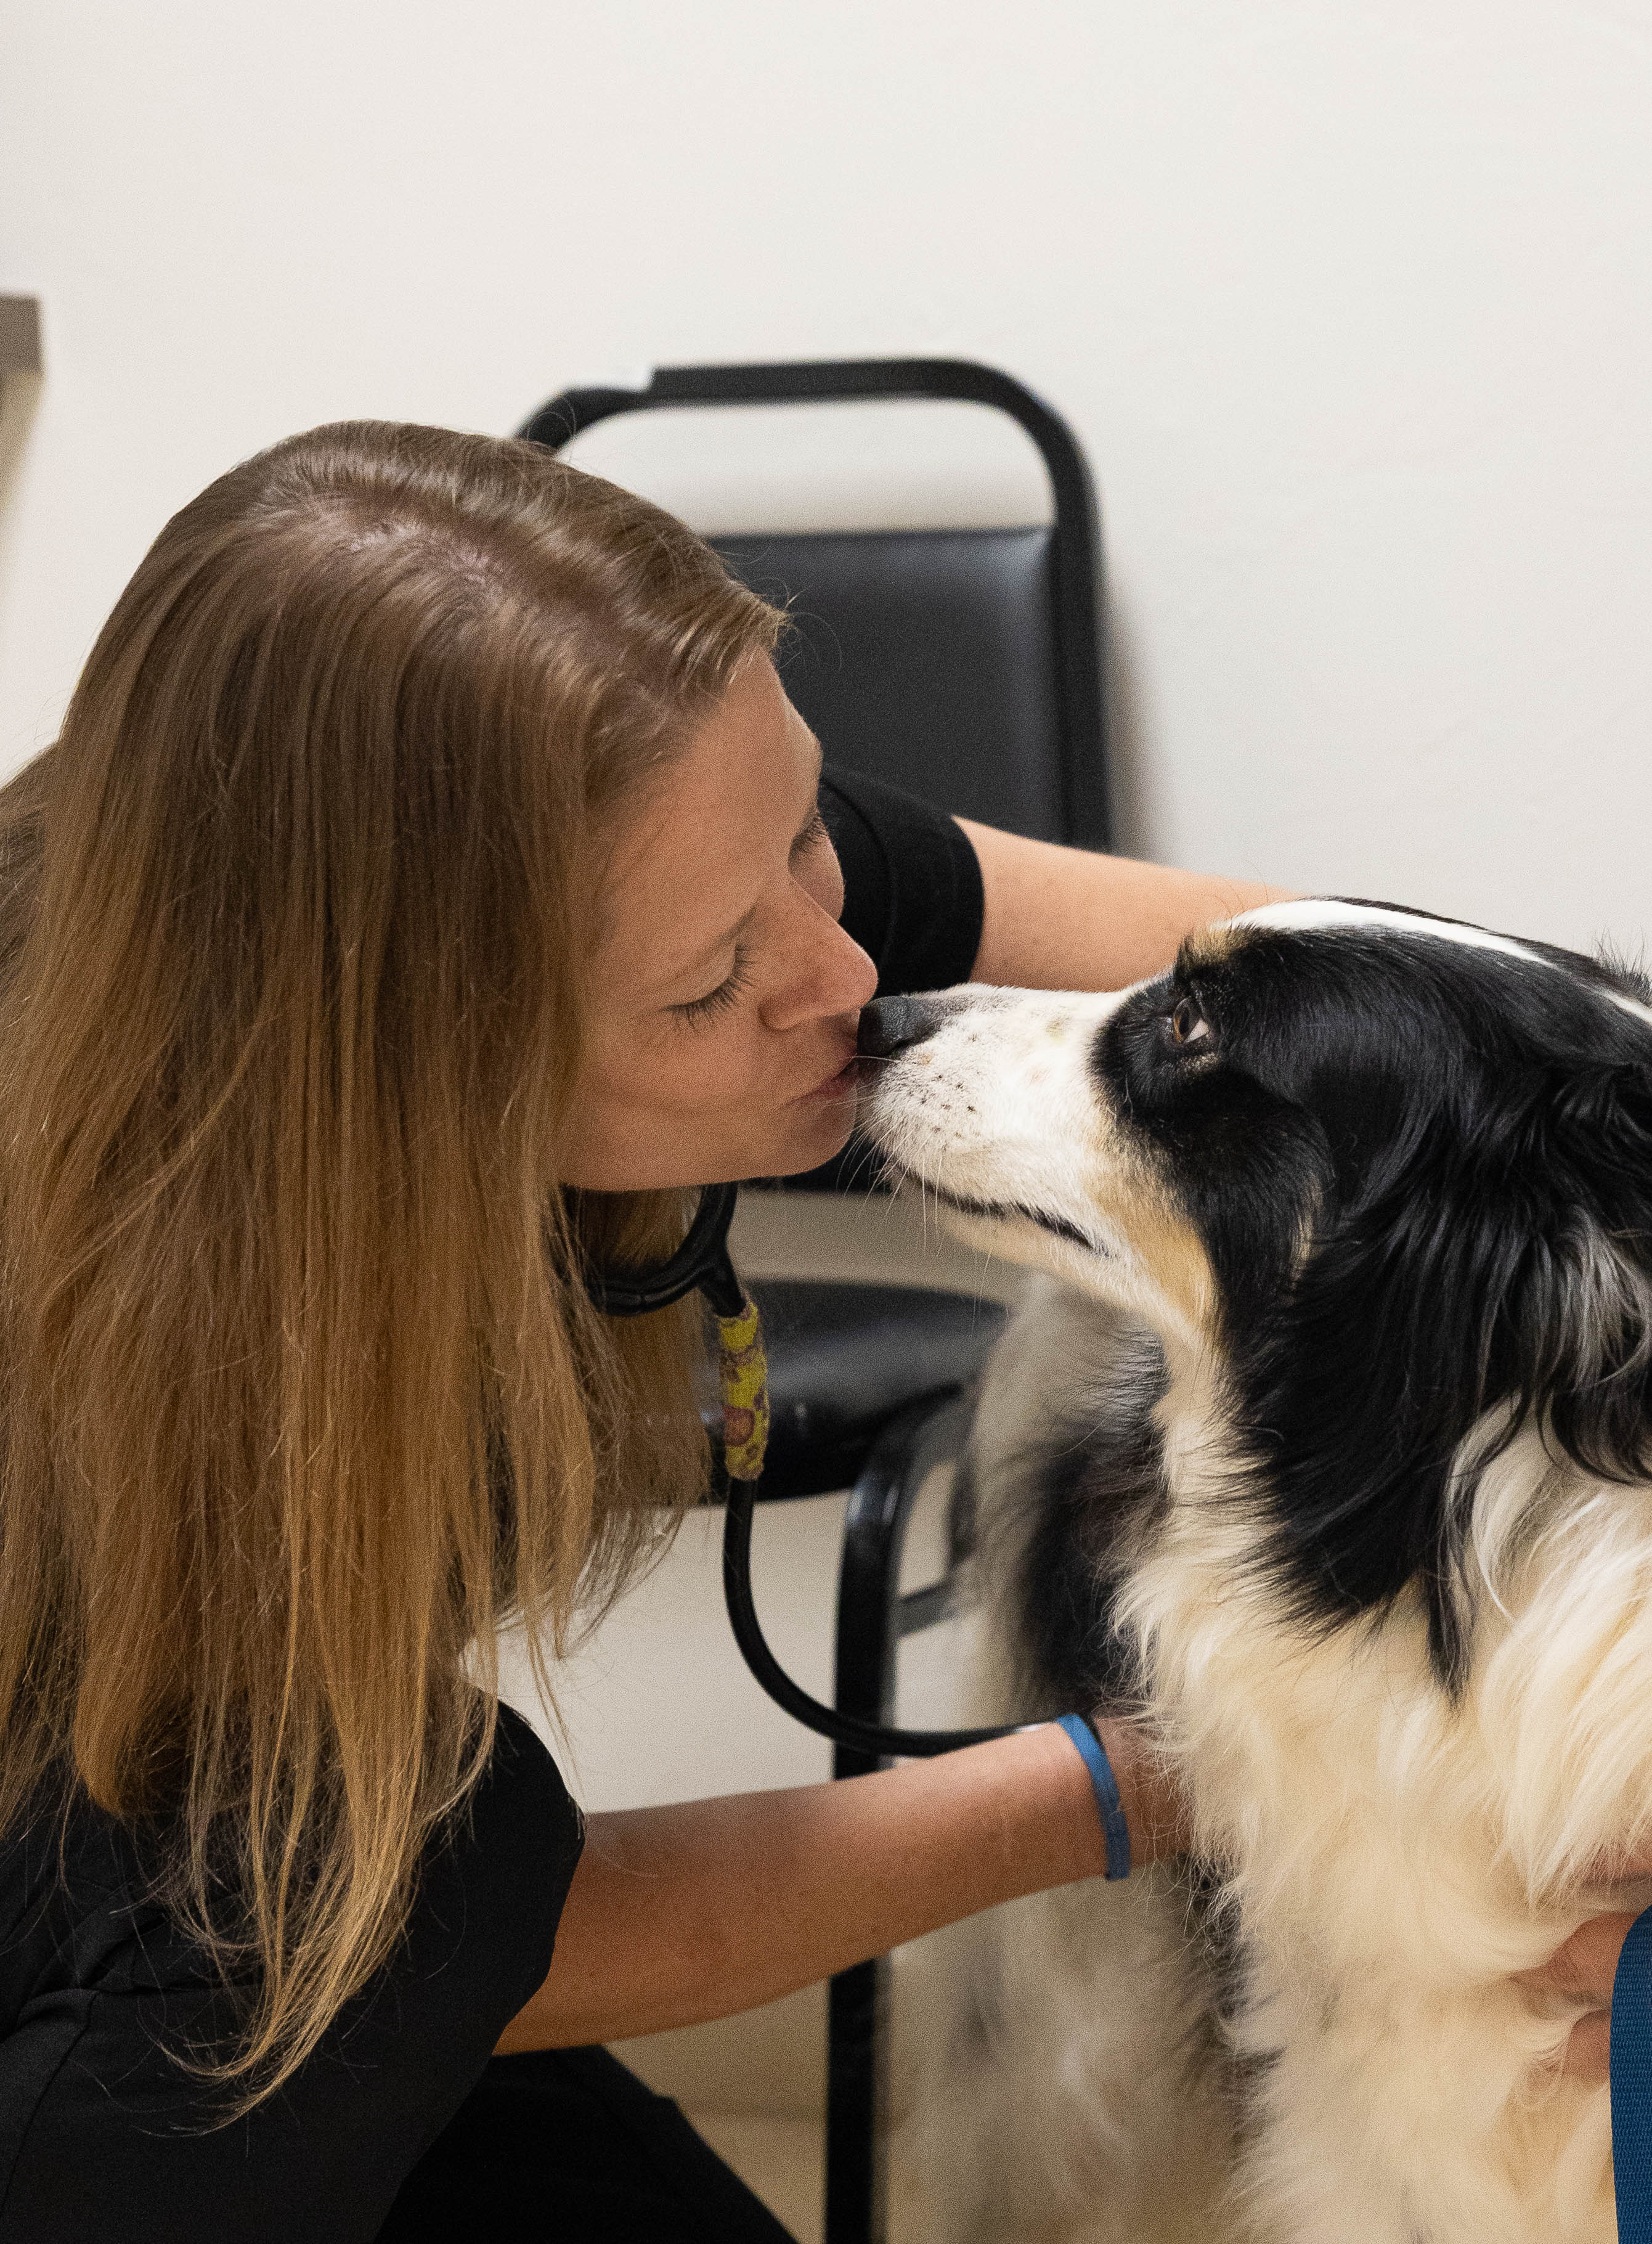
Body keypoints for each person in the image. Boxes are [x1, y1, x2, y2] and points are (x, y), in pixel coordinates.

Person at [0, 423, 1624, 2243]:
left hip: (342, 1973)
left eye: (808, 831)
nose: (851, 984)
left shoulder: (678, 858)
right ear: (417, 1084)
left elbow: (1313, 988)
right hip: (160, 2051)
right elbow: (404, 1946)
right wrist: (1190, 1770)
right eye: (707, 986)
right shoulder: (120, 1376)